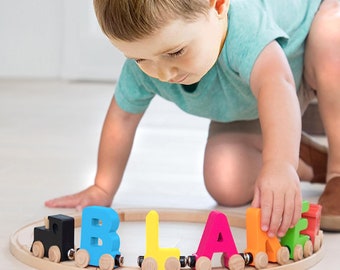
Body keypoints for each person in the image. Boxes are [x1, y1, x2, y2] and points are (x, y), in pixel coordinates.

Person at [45, 0, 340, 235]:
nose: (163, 73)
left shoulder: (243, 26)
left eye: (175, 52)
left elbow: (277, 84)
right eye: (139, 58)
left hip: (302, 58)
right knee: (226, 182)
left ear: (218, 5)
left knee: (332, 37)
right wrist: (103, 187)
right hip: (251, 103)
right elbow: (122, 119)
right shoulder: (150, 62)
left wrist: (280, 164)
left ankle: (336, 171)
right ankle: (303, 157)